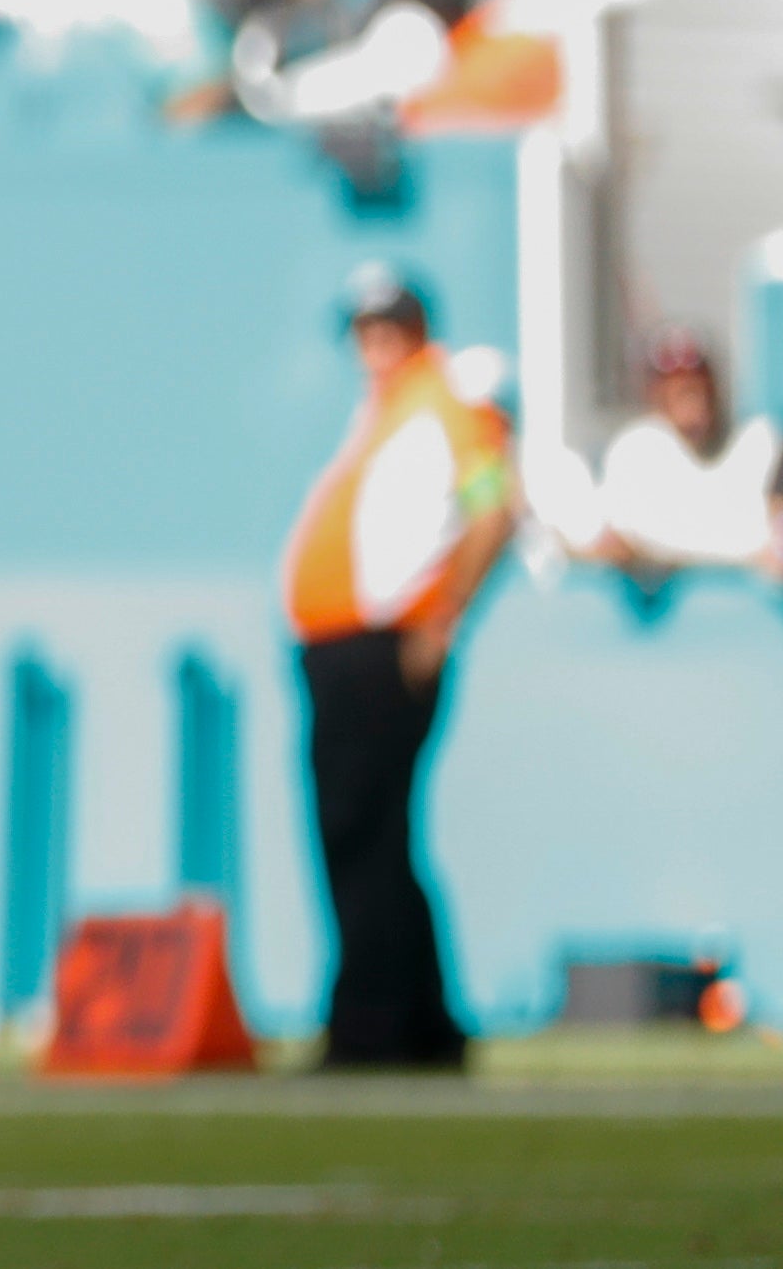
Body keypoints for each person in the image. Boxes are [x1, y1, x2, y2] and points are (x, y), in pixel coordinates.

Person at [279, 264, 515, 1072]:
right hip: (346, 646)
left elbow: (492, 509)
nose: (373, 346)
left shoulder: (445, 405)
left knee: (362, 830)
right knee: (372, 837)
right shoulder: (386, 412)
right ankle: (419, 1023)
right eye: (363, 331)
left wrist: (442, 615)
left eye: (388, 328)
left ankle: (372, 1027)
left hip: (385, 646)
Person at [583, 336, 783, 582]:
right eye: (681, 391)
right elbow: (619, 541)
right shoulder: (636, 451)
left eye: (699, 388)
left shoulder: (755, 444)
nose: (694, 402)